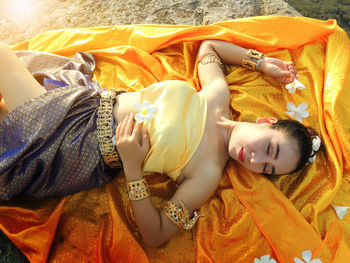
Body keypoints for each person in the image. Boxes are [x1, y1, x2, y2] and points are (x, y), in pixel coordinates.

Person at [0, 39, 320, 247]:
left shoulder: (208, 172)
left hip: (76, 147)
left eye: (265, 167)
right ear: (266, 123)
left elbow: (157, 235)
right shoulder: (218, 95)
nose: (253, 158)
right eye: (269, 148)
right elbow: (210, 48)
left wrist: (132, 167)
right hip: (82, 102)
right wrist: (261, 62)